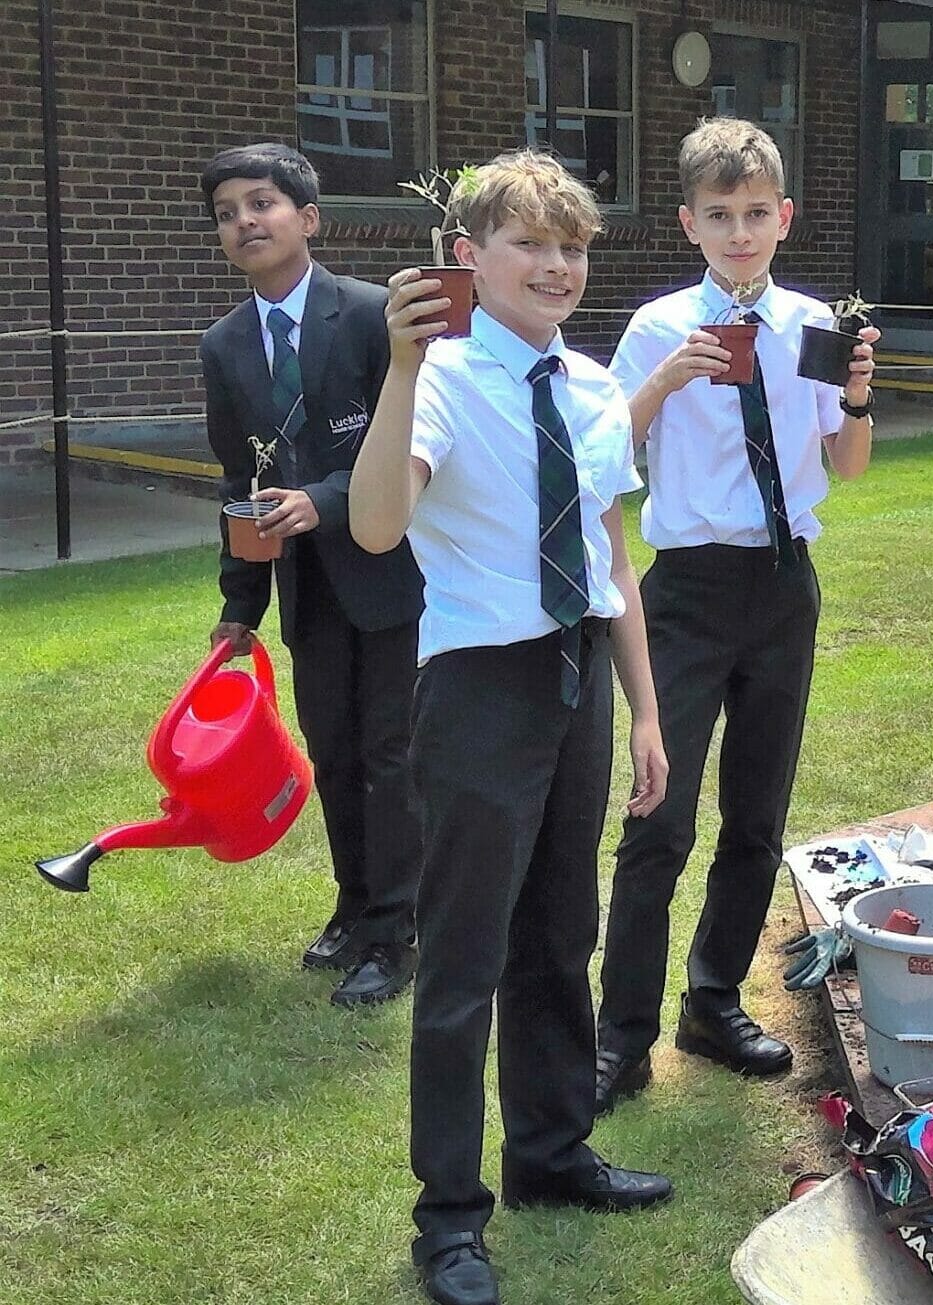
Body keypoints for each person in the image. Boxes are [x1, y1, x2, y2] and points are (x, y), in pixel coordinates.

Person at [349, 149, 673, 1305]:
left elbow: (608, 558)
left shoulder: (590, 390)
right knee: (466, 960)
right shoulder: (433, 379)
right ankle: (448, 1217)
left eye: (572, 246)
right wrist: (397, 365)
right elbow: (378, 527)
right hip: (480, 687)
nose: (555, 265)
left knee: (558, 934)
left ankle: (549, 1152)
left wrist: (644, 710)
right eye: (529, 243)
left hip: (578, 677)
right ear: (468, 258)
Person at [592, 118, 878, 1113]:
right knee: (657, 819)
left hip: (782, 586)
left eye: (757, 213)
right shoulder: (655, 326)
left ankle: (711, 1003)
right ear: (689, 222)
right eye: (720, 215)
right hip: (689, 589)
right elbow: (603, 462)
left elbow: (845, 465)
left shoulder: (814, 322)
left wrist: (859, 395)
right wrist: (666, 379)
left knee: (755, 815)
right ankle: (618, 1034)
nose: (740, 232)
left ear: (784, 216)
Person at [198, 142, 422, 1007]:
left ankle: (398, 930)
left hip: (392, 571)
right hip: (308, 588)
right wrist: (238, 603)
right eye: (227, 213)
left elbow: (405, 442)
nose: (247, 221)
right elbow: (236, 479)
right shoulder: (223, 346)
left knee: (389, 753)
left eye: (263, 203)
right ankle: (355, 902)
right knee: (331, 752)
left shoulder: (373, 316)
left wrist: (324, 498)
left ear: (308, 218)